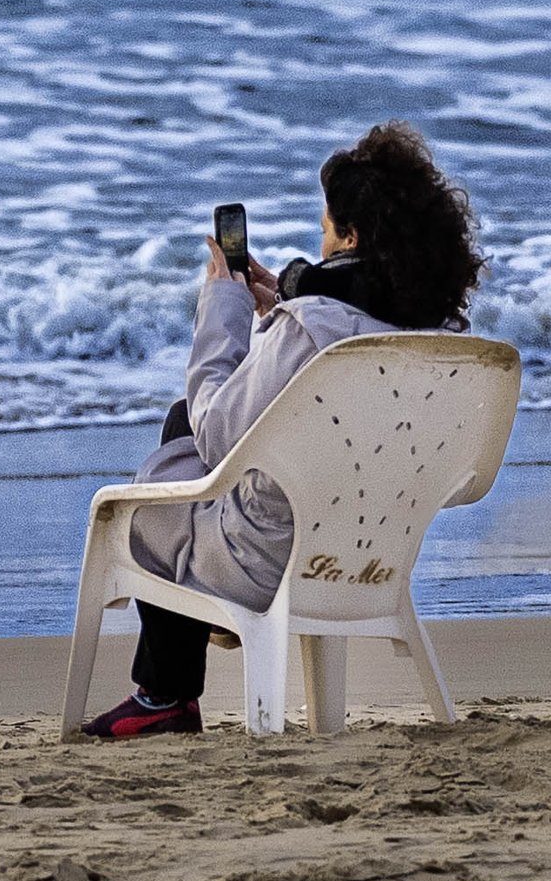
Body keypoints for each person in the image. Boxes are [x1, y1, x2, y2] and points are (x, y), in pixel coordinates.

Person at [80, 119, 485, 740]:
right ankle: (168, 686)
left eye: (326, 228)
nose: (320, 242)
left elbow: (219, 439)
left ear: (350, 234)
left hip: (263, 563)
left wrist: (224, 310)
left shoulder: (310, 326)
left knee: (174, 443)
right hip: (372, 562)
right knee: (197, 442)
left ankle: (164, 693)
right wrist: (283, 305)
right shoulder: (424, 336)